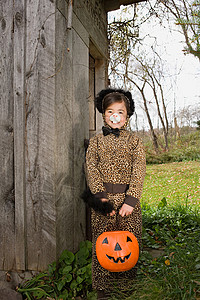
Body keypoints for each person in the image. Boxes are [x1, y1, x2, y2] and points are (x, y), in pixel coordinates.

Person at [84, 88, 146, 299]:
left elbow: (139, 171)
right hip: (104, 200)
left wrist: (131, 200)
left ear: (127, 115)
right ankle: (102, 288)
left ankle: (127, 286)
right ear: (103, 113)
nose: (115, 116)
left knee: (129, 243)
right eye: (110, 111)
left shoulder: (135, 142)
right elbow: (91, 168)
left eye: (120, 111)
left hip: (129, 203)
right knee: (102, 243)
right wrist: (101, 198)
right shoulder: (96, 142)